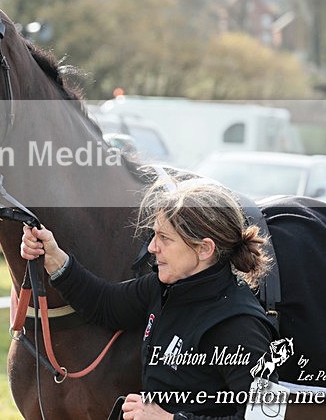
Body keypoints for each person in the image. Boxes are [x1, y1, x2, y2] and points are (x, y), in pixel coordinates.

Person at [20, 179, 276, 420]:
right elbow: (105, 304)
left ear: (204, 249)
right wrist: (54, 258)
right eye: (155, 235)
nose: (152, 247)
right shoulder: (165, 287)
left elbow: (267, 415)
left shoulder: (239, 325)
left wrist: (170, 419)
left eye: (165, 238)